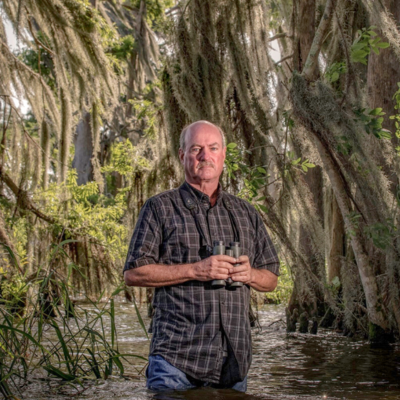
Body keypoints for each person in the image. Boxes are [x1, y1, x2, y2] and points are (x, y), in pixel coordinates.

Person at [124, 120, 279, 392]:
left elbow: (271, 278)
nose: (205, 156)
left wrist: (250, 275)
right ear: (183, 155)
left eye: (212, 148)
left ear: (223, 154)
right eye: (196, 149)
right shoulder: (159, 208)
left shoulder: (246, 213)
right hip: (176, 362)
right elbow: (134, 273)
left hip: (233, 364)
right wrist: (196, 270)